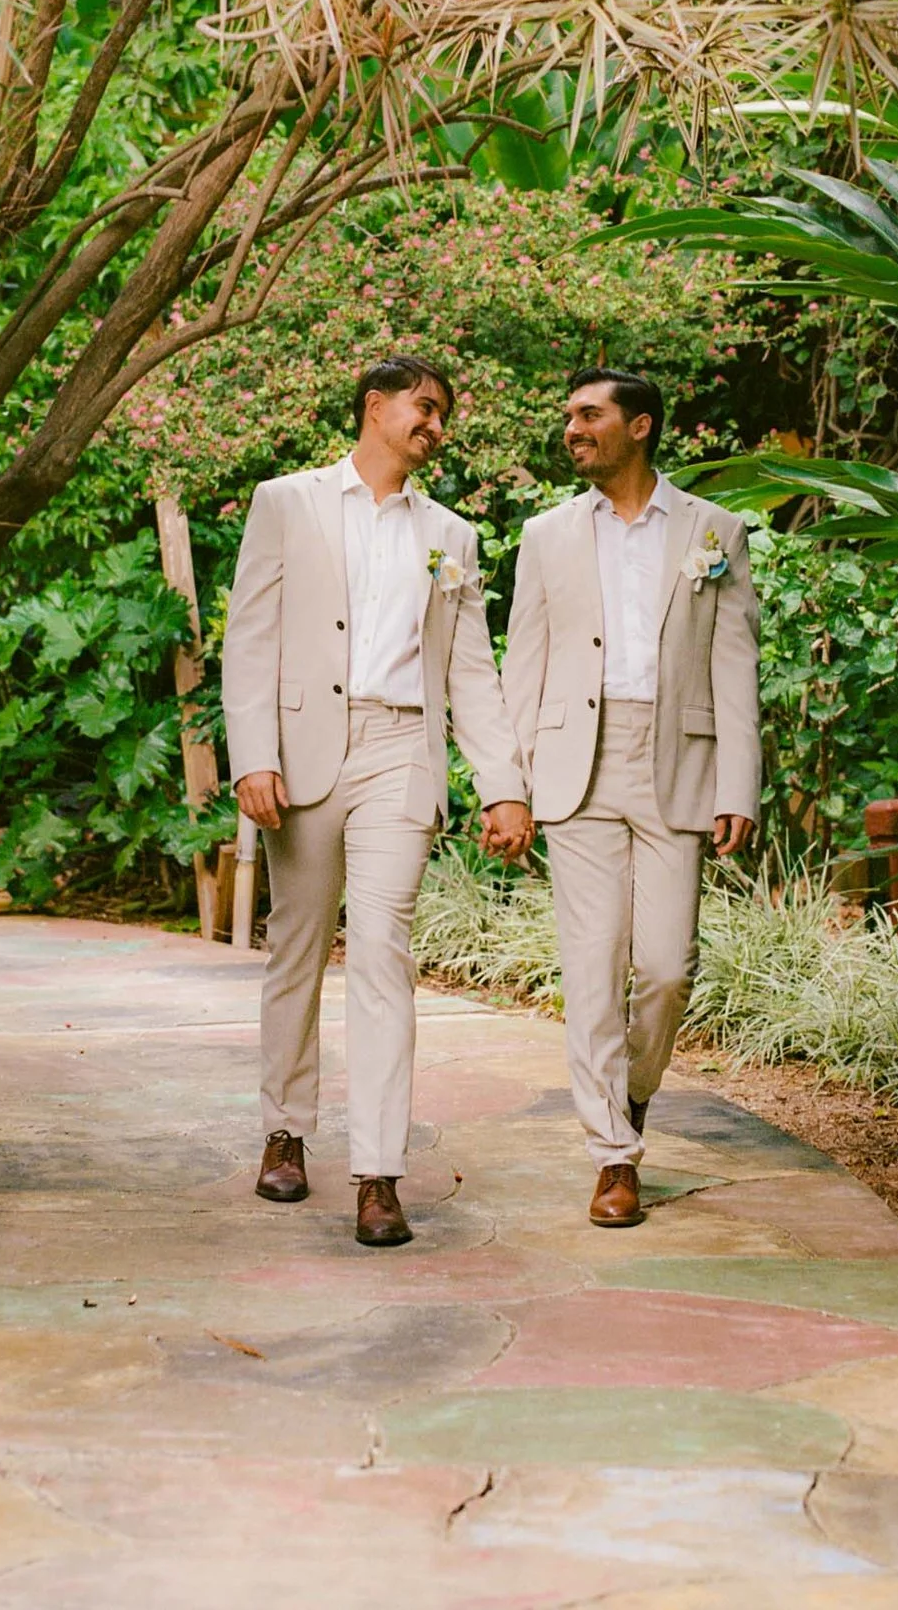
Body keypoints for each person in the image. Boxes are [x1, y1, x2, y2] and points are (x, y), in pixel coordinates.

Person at [220, 355, 515, 1247]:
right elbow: (250, 638)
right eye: (424, 408)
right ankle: (286, 1130)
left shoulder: (452, 537)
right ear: (374, 407)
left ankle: (379, 1174)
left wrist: (502, 787)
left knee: (385, 951)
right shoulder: (288, 501)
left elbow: (472, 671)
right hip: (306, 750)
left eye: (443, 415)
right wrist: (253, 758)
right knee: (298, 948)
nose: (436, 426)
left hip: (401, 753)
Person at [486, 369, 761, 1225]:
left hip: (677, 759)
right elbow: (522, 661)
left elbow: (734, 659)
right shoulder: (546, 533)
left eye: (588, 415)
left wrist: (738, 782)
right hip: (577, 764)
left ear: (639, 426)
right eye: (569, 414)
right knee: (594, 968)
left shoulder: (713, 531)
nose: (572, 428)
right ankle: (614, 1156)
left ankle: (631, 1091)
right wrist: (510, 785)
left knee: (667, 970)